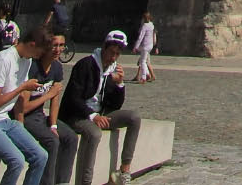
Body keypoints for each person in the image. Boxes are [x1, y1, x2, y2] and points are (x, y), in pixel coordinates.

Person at [0, 25, 49, 185]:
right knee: (17, 161)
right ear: (32, 45)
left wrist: (19, 125)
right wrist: (22, 87)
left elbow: (19, 98)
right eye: (39, 52)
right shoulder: (4, 59)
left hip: (5, 119)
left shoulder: (26, 61)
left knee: (41, 156)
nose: (38, 57)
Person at [60, 30, 140, 185]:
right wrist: (93, 116)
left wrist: (119, 85)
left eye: (117, 54)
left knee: (133, 117)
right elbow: (73, 98)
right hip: (78, 114)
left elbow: (115, 105)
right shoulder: (86, 65)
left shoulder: (112, 69)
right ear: (104, 47)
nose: (113, 57)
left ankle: (124, 170)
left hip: (100, 114)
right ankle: (85, 182)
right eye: (111, 52)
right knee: (94, 134)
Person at [18, 33, 78, 185]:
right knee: (52, 141)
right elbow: (23, 108)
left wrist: (53, 125)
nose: (58, 49)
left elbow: (55, 101)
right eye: (54, 45)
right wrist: (48, 95)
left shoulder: (57, 67)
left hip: (40, 116)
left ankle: (62, 182)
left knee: (71, 137)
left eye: (61, 45)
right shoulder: (32, 67)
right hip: (26, 117)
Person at [131, 14, 155, 84]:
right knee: (143, 60)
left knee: (143, 62)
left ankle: (143, 77)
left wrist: (135, 47)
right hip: (150, 45)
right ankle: (147, 74)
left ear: (144, 19)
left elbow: (140, 37)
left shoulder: (145, 26)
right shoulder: (151, 25)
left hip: (145, 46)